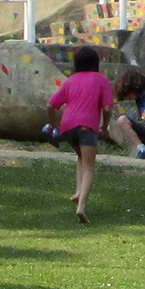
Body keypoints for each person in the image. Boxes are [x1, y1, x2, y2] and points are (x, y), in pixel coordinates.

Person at [45, 47, 114, 224]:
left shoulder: (70, 81)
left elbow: (50, 105)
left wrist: (54, 125)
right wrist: (104, 127)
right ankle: (81, 207)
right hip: (87, 126)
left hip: (67, 128)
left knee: (81, 158)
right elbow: (107, 108)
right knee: (90, 165)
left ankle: (77, 191)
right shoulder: (101, 80)